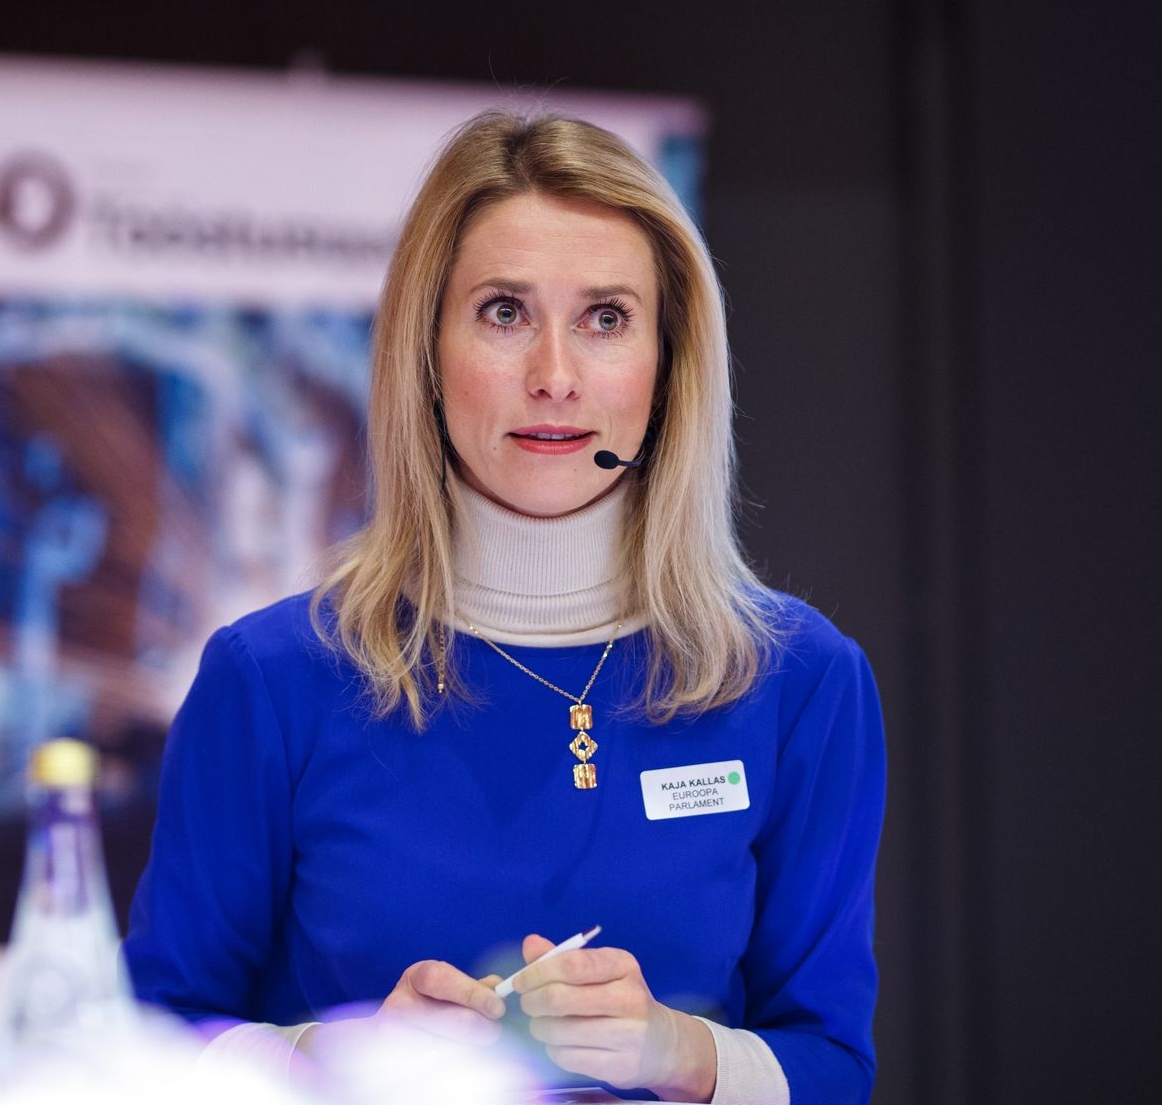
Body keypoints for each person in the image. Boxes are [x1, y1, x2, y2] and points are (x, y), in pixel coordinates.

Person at [124, 112, 885, 1105]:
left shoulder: (799, 680)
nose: (555, 376)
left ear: (669, 362)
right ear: (426, 352)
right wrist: (339, 1059)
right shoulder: (274, 679)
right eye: (504, 312)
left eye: (605, 318)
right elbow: (144, 1046)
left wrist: (681, 1052)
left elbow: (833, 1065)